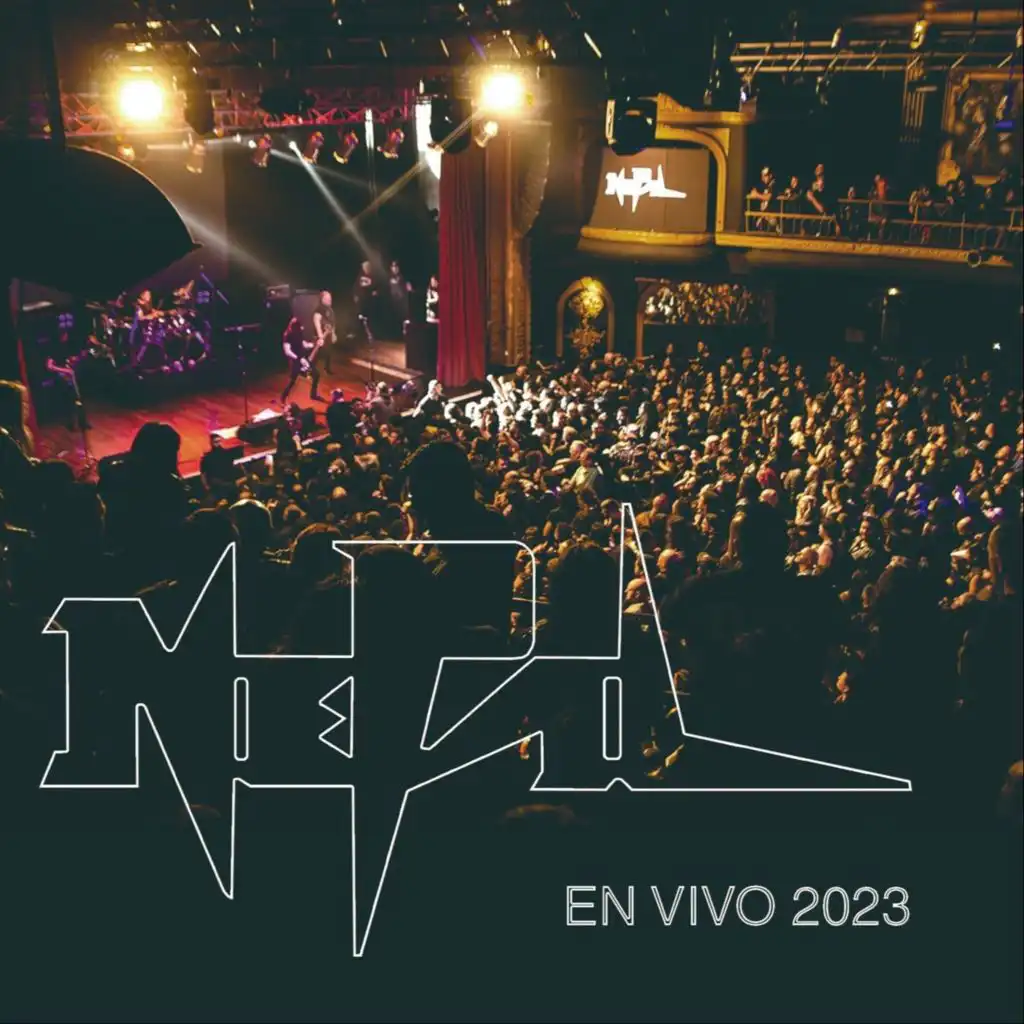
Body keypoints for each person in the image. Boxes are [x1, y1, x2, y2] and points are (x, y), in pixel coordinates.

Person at [281, 315, 321, 403]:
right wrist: (298, 359)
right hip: (295, 362)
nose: (301, 328)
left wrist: (312, 344)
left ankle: (313, 393)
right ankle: (284, 396)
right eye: (299, 327)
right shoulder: (288, 335)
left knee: (315, 374)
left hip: (303, 360)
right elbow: (287, 351)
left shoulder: (299, 333)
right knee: (293, 381)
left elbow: (302, 343)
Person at [311, 290, 336, 376]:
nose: (329, 300)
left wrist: (333, 334)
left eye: (330, 298)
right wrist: (320, 336)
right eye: (327, 298)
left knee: (328, 352)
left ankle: (327, 369)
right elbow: (316, 321)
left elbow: (332, 323)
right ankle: (311, 370)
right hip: (321, 335)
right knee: (317, 353)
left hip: (328, 335)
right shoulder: (319, 309)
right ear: (322, 299)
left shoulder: (331, 310)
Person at [387, 259, 413, 337]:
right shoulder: (388, 278)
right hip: (393, 302)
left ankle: (404, 334)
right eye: (393, 266)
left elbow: (408, 288)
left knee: (404, 318)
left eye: (396, 266)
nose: (395, 268)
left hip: (402, 302)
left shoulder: (403, 277)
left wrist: (409, 288)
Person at [353, 261, 377, 342]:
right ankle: (360, 335)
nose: (366, 268)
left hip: (369, 301)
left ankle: (370, 335)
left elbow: (377, 287)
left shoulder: (373, 277)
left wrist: (375, 292)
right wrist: (355, 295)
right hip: (361, 301)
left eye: (367, 267)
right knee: (360, 317)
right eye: (364, 267)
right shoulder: (359, 277)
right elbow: (356, 287)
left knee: (369, 319)